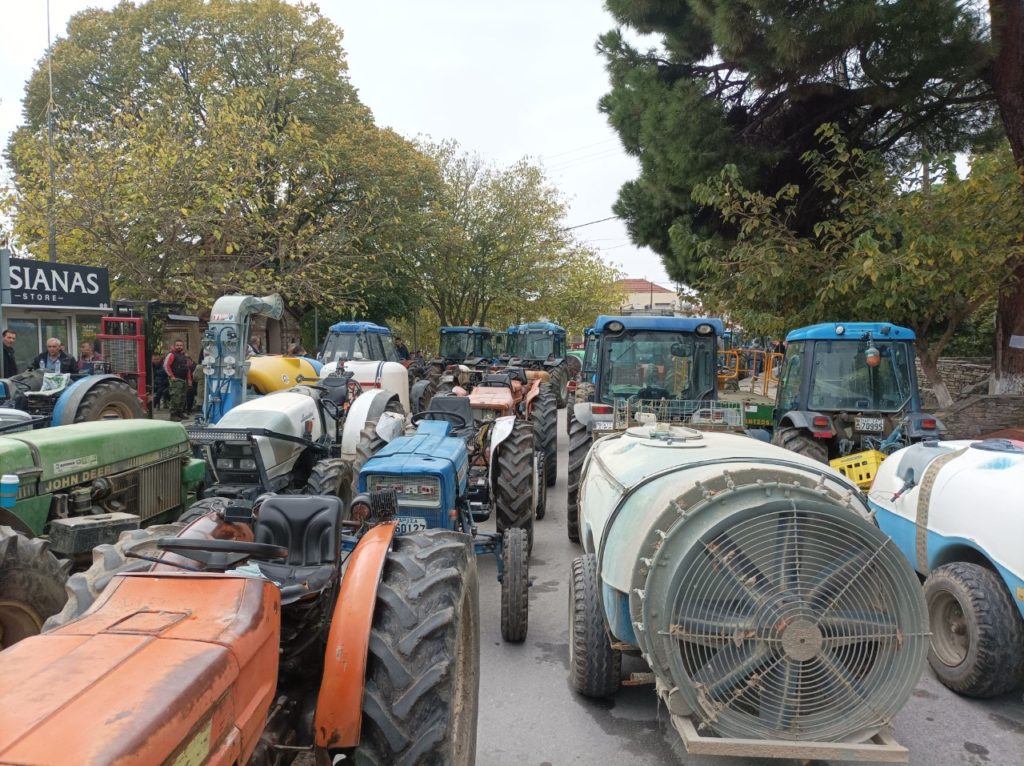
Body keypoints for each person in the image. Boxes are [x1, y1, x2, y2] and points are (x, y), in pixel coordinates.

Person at [163, 338, 192, 421]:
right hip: (176, 379)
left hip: (183, 380)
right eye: (177, 345)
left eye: (181, 345)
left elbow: (187, 369)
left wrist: (189, 380)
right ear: (174, 346)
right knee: (176, 397)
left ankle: (180, 413)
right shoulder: (171, 355)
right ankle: (173, 414)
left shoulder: (184, 356)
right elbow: (166, 365)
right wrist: (171, 376)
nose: (179, 347)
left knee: (182, 397)